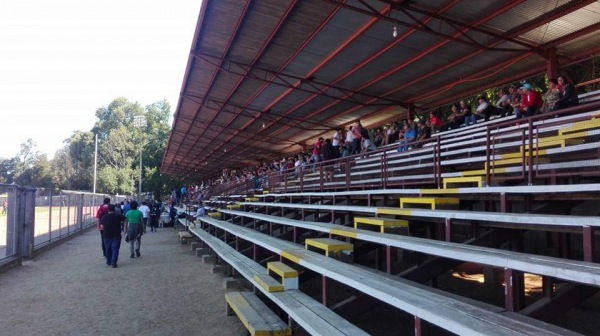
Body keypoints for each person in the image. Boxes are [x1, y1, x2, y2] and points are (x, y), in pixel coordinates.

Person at [101, 204, 125, 268]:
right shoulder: (118, 216)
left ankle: (108, 261)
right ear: (114, 209)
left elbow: (102, 227)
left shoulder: (104, 217)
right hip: (116, 234)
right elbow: (124, 218)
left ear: (108, 210)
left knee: (108, 248)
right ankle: (114, 262)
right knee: (115, 249)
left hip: (107, 235)